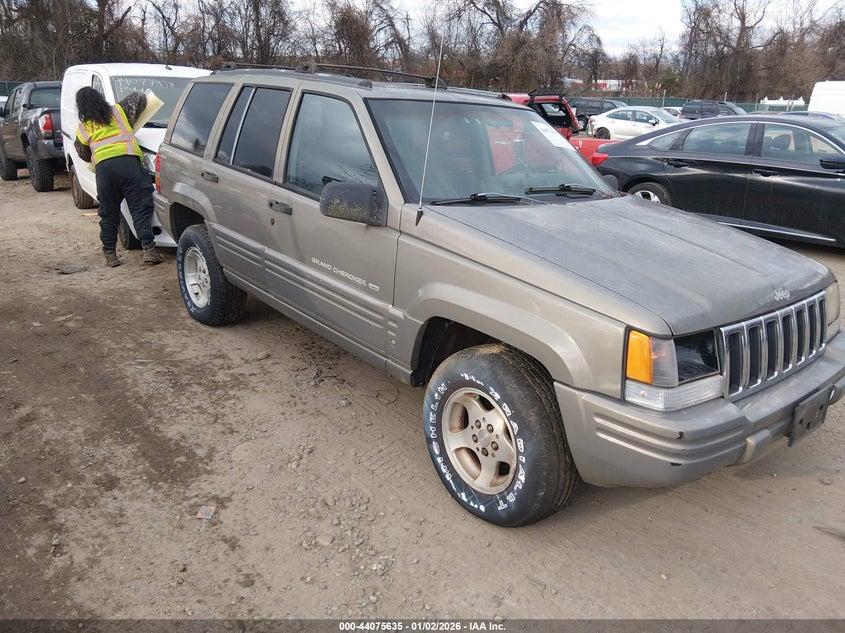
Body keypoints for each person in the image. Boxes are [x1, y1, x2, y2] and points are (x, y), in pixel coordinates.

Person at [74, 87, 164, 267]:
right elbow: (140, 97)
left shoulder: (83, 128)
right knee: (139, 208)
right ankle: (149, 250)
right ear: (100, 98)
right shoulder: (118, 111)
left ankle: (110, 255)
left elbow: (83, 153)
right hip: (128, 163)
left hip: (105, 170)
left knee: (108, 213)